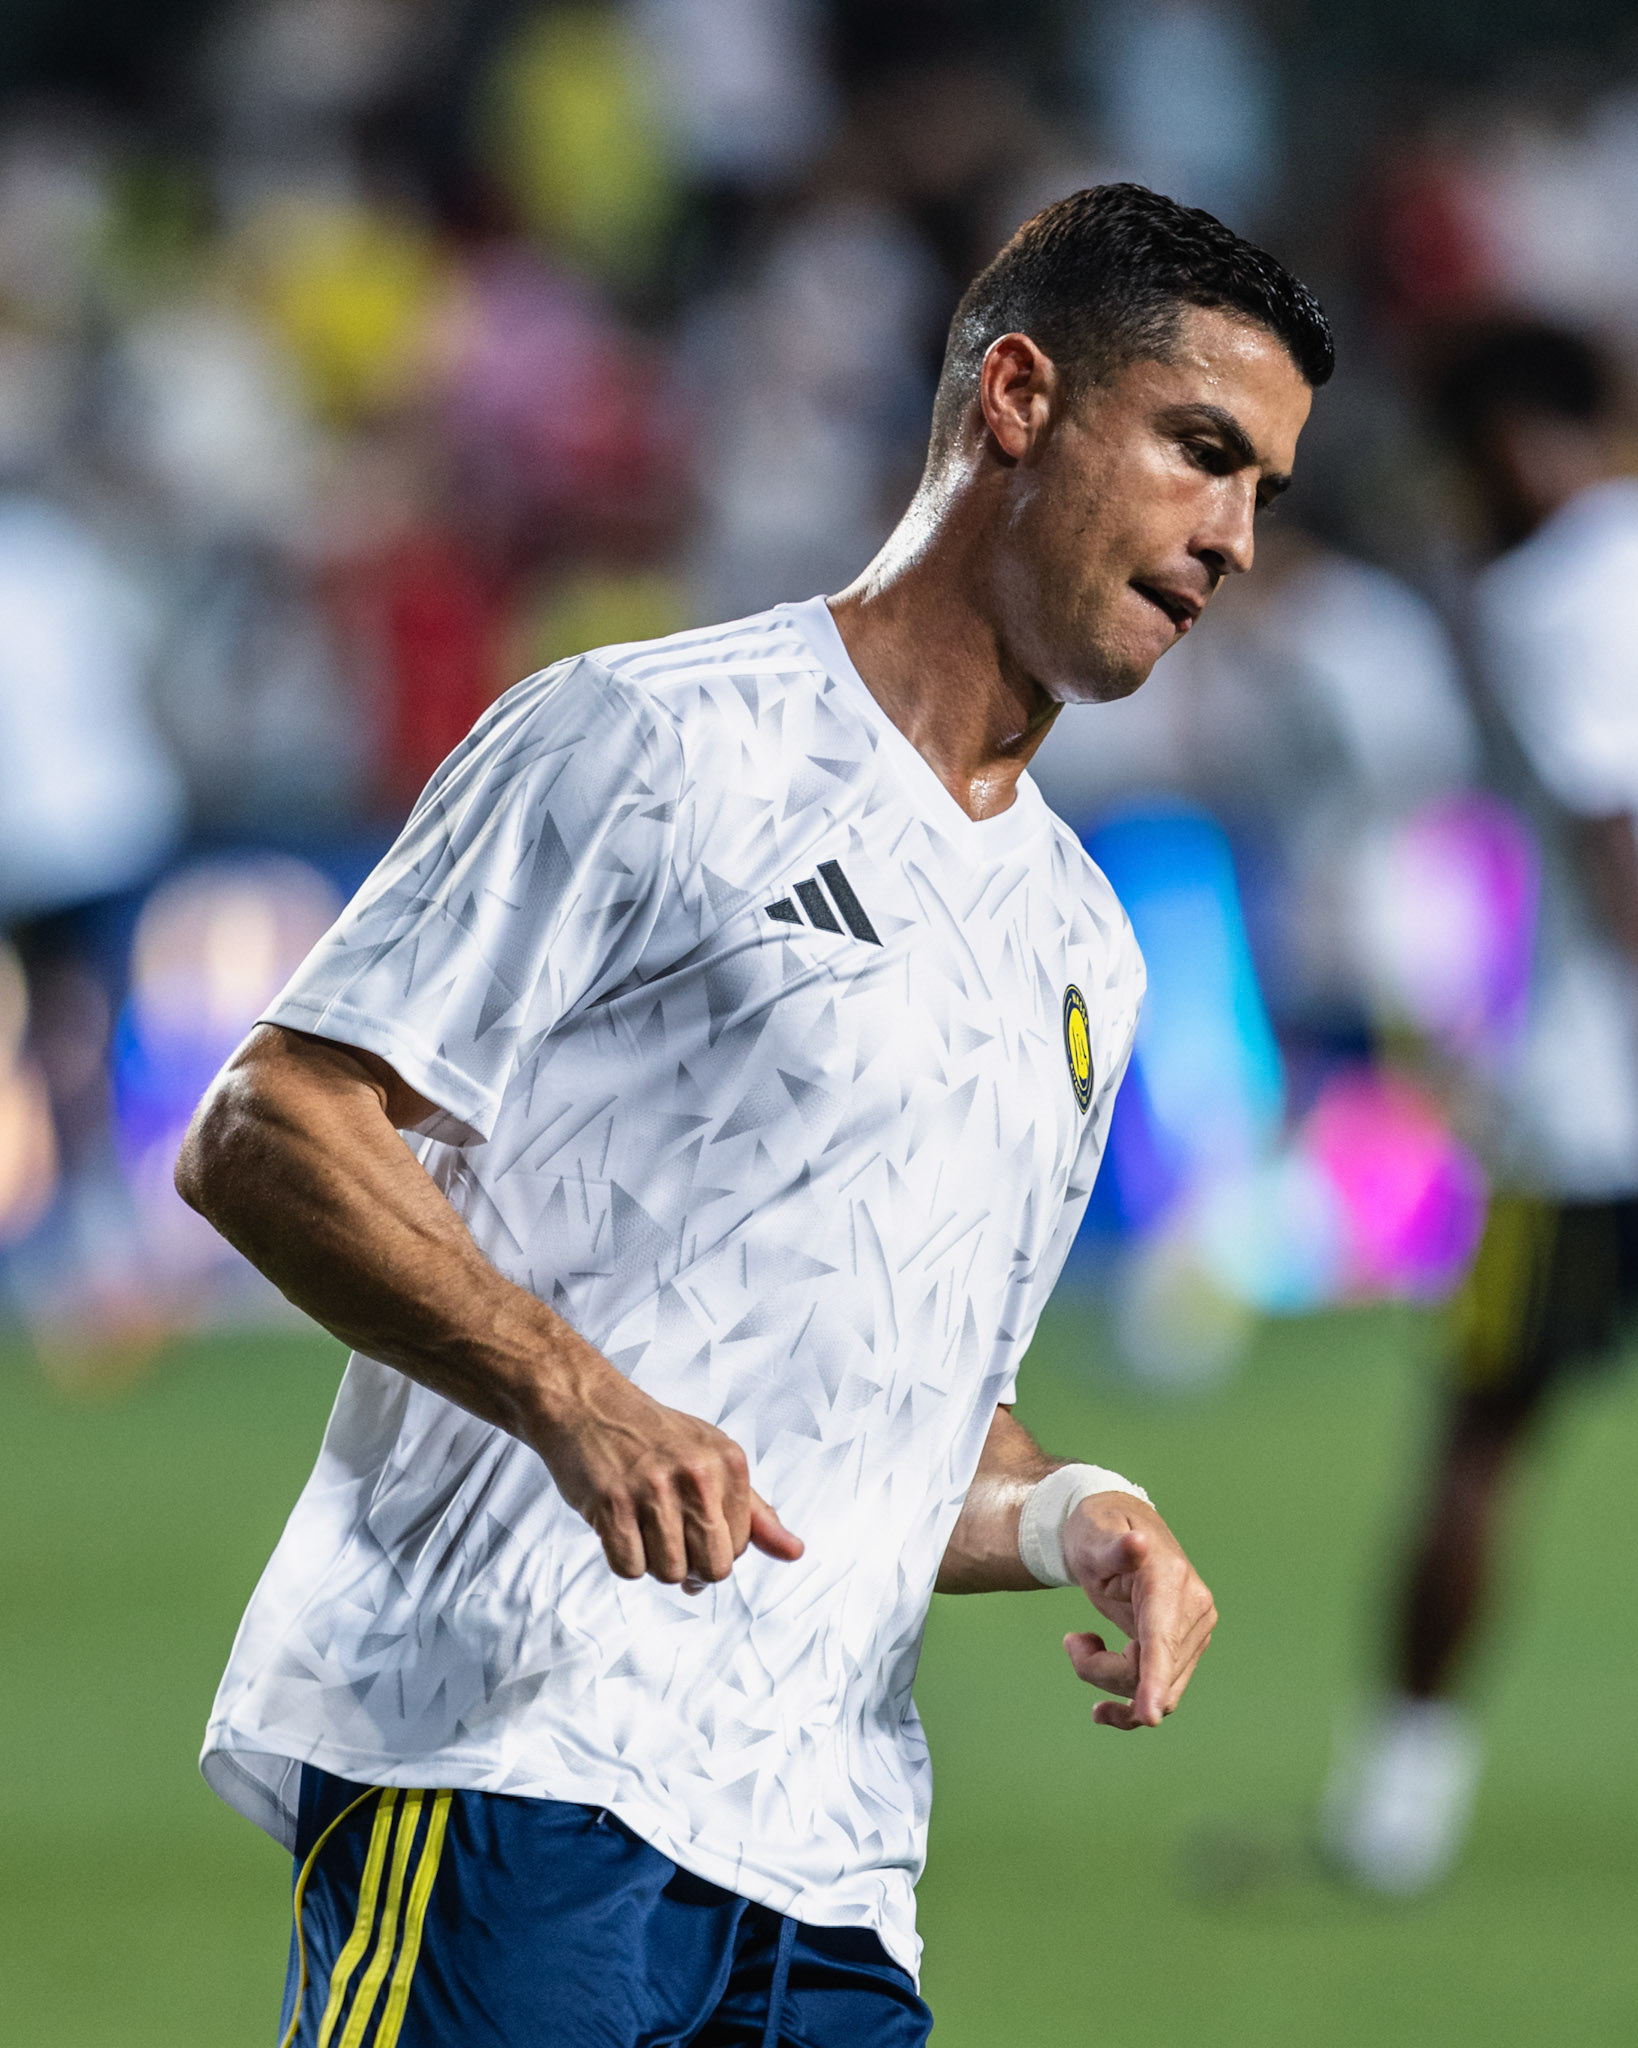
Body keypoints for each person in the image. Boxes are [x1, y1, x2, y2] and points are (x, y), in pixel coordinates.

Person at [179, 184, 1328, 2046]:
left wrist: (1076, 1518)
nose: (1236, 538)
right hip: (507, 1767)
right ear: (1017, 397)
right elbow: (269, 1122)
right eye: (1201, 453)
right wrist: (573, 1393)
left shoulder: (1085, 950)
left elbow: (906, 1422)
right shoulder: (645, 741)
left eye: (1265, 489)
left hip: (829, 1871)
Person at [1323, 321, 1638, 1894]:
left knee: (1482, 1439)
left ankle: (1398, 1799)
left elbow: (1613, 840)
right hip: (1571, 1102)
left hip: (1583, 1112)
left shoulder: (1552, 593)